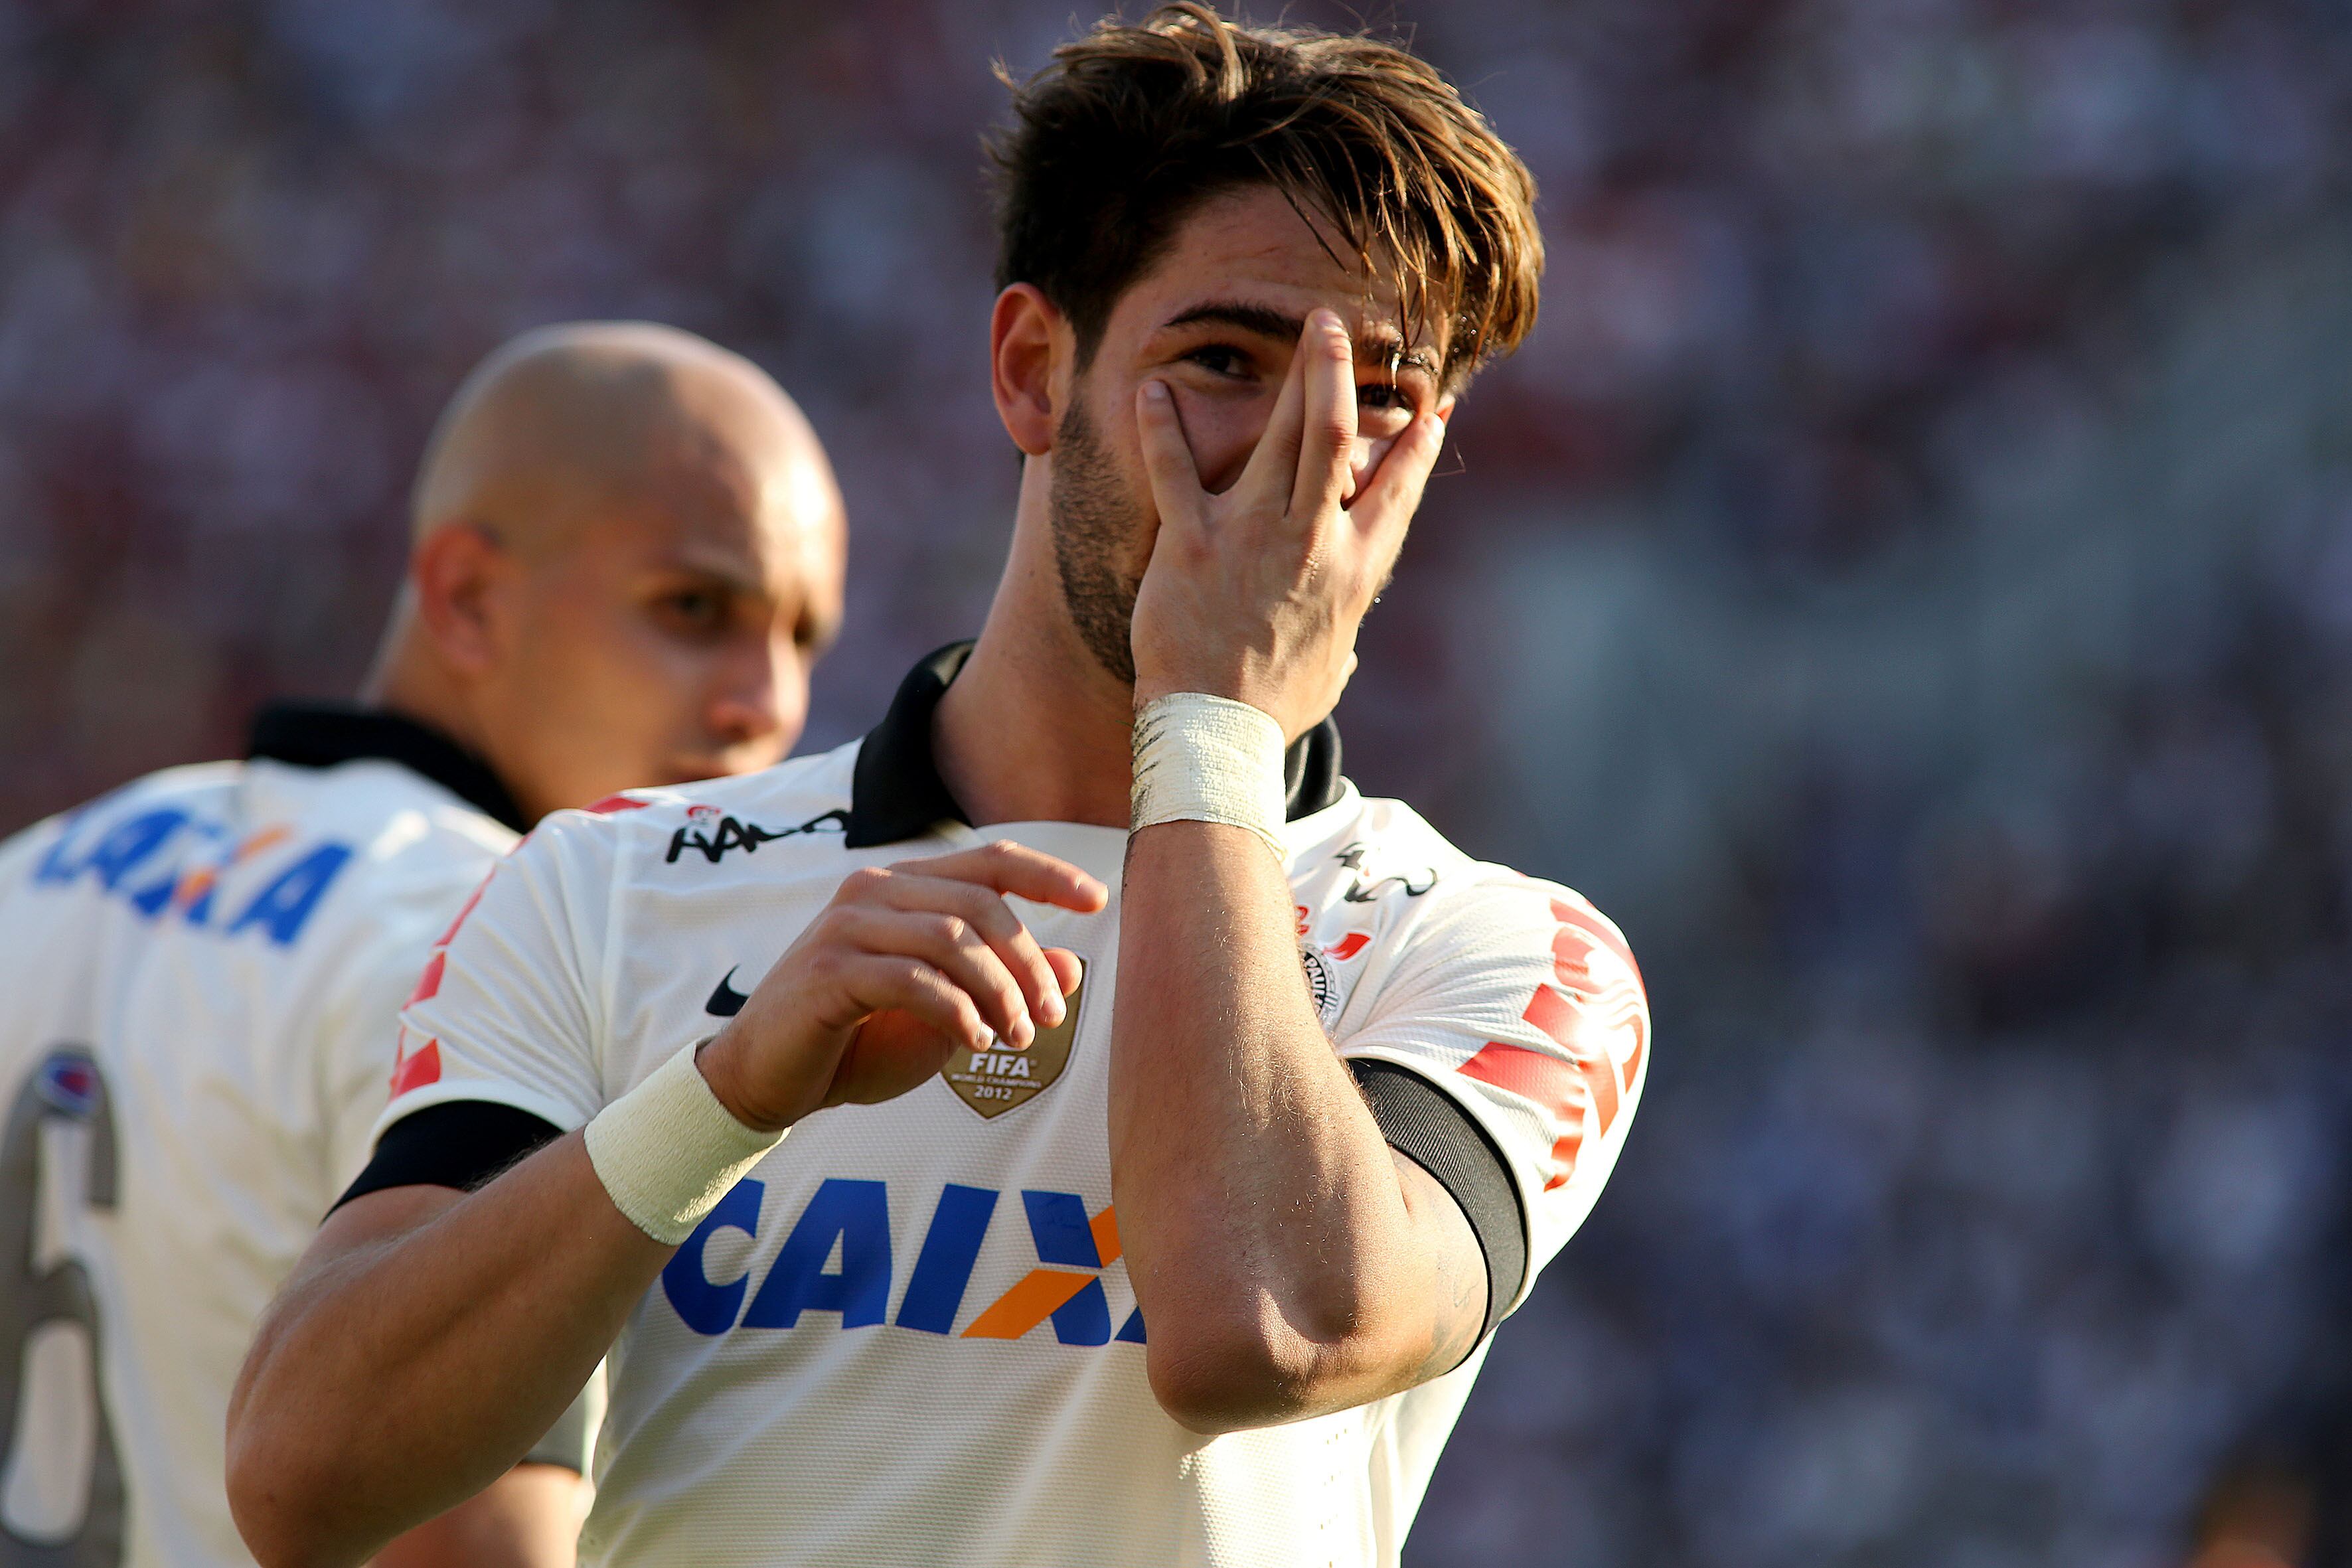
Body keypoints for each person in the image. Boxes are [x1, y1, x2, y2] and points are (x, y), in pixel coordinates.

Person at [227, 9, 1647, 1567]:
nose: (1292, 453)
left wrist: (1212, 722)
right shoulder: (608, 887)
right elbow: (303, 1476)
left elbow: (1261, 1322)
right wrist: (721, 1099)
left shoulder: (1503, 952)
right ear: (1034, 370)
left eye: (1377, 394)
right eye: (1224, 361)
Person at [0, 320, 846, 1568]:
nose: (764, 705)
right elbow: (478, 1549)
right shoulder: (505, 945)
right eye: (693, 607)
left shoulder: (44, 863)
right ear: (465, 596)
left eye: (802, 637)